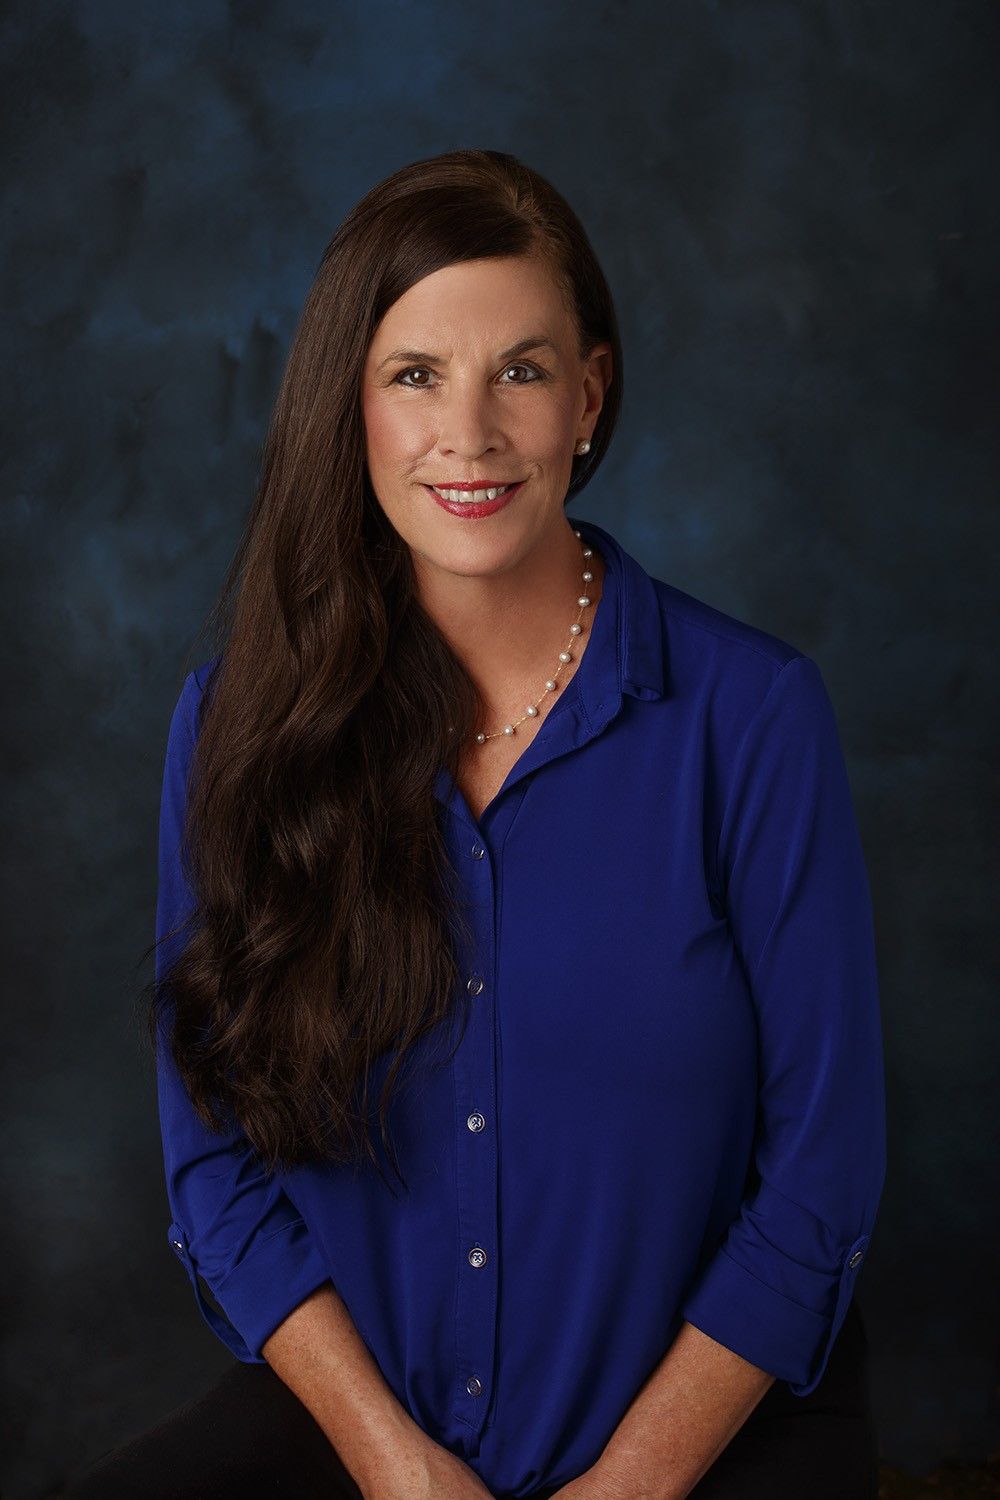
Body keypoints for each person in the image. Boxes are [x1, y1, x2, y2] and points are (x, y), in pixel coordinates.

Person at [63, 149, 886, 1499]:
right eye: (414, 376)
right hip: (366, 1432)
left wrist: (628, 1488)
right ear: (353, 407)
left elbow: (825, 1166)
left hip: (704, 1428)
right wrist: (397, 1470)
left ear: (589, 397)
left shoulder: (753, 718)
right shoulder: (236, 729)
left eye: (520, 369)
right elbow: (212, 1166)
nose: (471, 433)